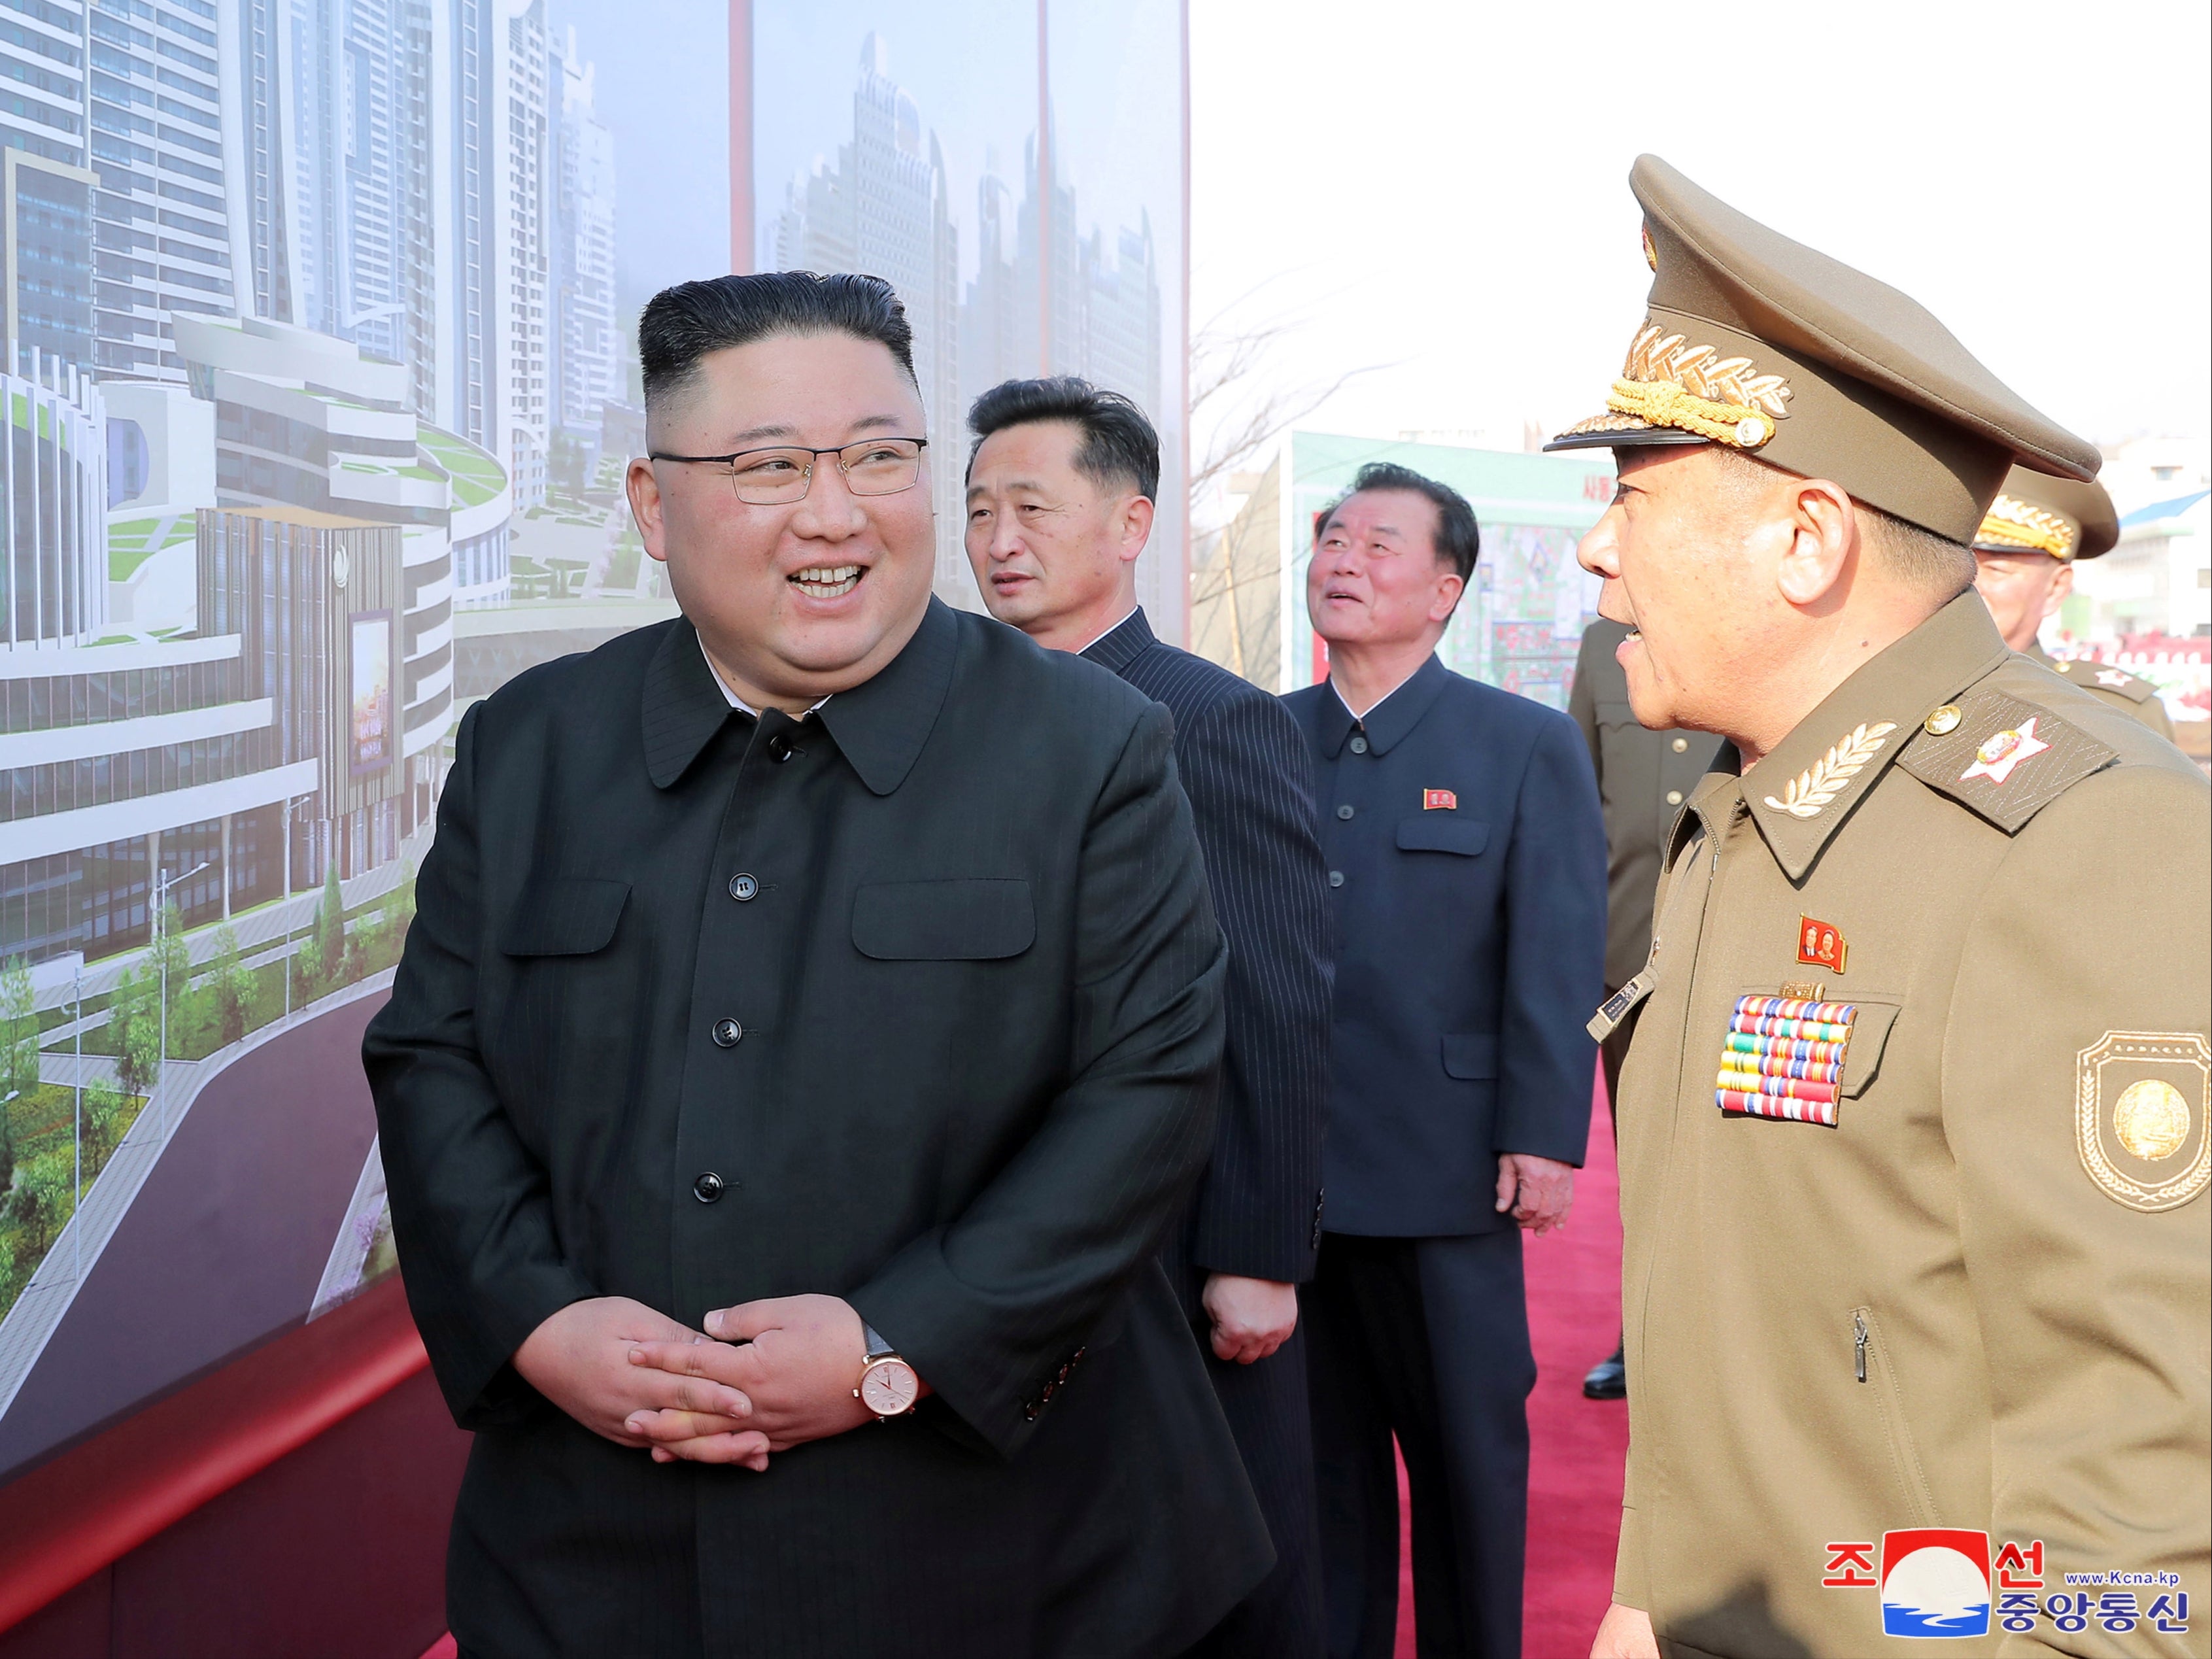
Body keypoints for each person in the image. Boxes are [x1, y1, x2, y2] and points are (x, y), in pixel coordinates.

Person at [363, 271, 1274, 1659]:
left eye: (879, 458)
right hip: (597, 1552)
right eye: (768, 465)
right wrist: (537, 1320)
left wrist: (888, 1344)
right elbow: (433, 1054)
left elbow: (1145, 1094)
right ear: (653, 505)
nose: (835, 512)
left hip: (1003, 1555)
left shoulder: (1089, 748)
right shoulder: (532, 746)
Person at [1545, 157, 2209, 1659]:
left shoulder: (2088, 844)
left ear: (1807, 539)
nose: (1597, 547)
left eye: (1633, 499)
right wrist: (1650, 1598)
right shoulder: (1748, 816)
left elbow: (2150, 1561)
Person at [963, 375, 1335, 1658]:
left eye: (1028, 505)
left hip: (1164, 1256)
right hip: (978, 1248)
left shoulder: (1206, 719)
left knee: (1198, 1578)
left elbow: (1273, 999)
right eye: (975, 510)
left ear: (1128, 524)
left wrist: (1254, 1246)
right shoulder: (934, 718)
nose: (997, 539)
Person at [1284, 462, 1607, 1659]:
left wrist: (1542, 1130)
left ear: (1443, 589)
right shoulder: (1263, 736)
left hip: (1443, 1176)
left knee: (1470, 1465)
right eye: (1330, 538)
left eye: (1377, 544)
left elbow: (1556, 947)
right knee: (1319, 1477)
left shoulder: (1517, 743)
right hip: (1290, 1180)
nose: (1343, 559)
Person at [1566, 619, 1720, 1401]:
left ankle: (1726, 1342)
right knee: (1642, 1162)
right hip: (1627, 954)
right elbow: (1578, 798)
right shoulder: (1604, 646)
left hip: (1733, 946)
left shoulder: (1751, 614)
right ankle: (1645, 1335)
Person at [1971, 466, 2177, 738]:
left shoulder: (2114, 716)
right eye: (1957, 563)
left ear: (2055, 589)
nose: (1970, 582)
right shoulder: (1903, 685)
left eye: (1997, 570)